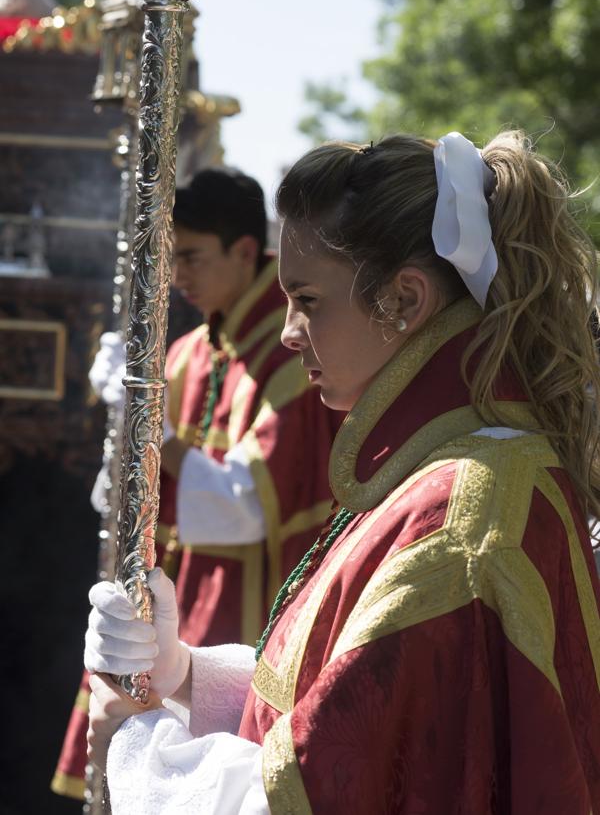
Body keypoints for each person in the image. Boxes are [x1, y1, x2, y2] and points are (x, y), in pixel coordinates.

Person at [84, 131, 600, 813]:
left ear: (406, 300)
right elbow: (361, 718)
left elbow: (307, 796)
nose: (291, 329)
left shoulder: (456, 525)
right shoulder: (446, 473)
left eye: (309, 299)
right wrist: (184, 674)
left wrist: (139, 748)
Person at [52, 167, 339, 801]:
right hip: (184, 591)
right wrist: (124, 429)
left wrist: (156, 430)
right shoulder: (186, 351)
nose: (178, 274)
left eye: (191, 256)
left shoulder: (298, 359)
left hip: (249, 594)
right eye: (170, 257)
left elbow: (246, 508)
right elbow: (117, 498)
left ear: (244, 249)